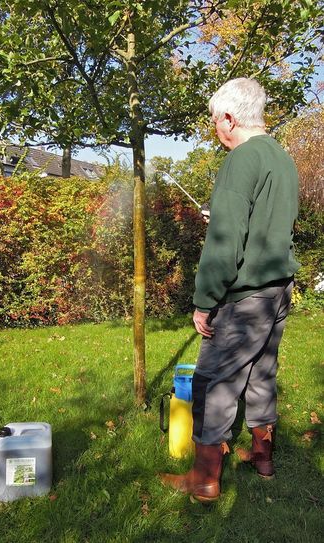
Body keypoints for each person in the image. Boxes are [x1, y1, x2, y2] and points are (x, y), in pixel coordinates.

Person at [160, 77, 300, 502]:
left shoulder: (242, 159)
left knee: (215, 382)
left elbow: (224, 245)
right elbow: (264, 223)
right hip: (277, 290)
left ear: (228, 117)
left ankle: (204, 480)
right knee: (261, 371)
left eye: (214, 121)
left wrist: (204, 302)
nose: (215, 130)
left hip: (245, 296)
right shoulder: (282, 157)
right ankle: (263, 458)